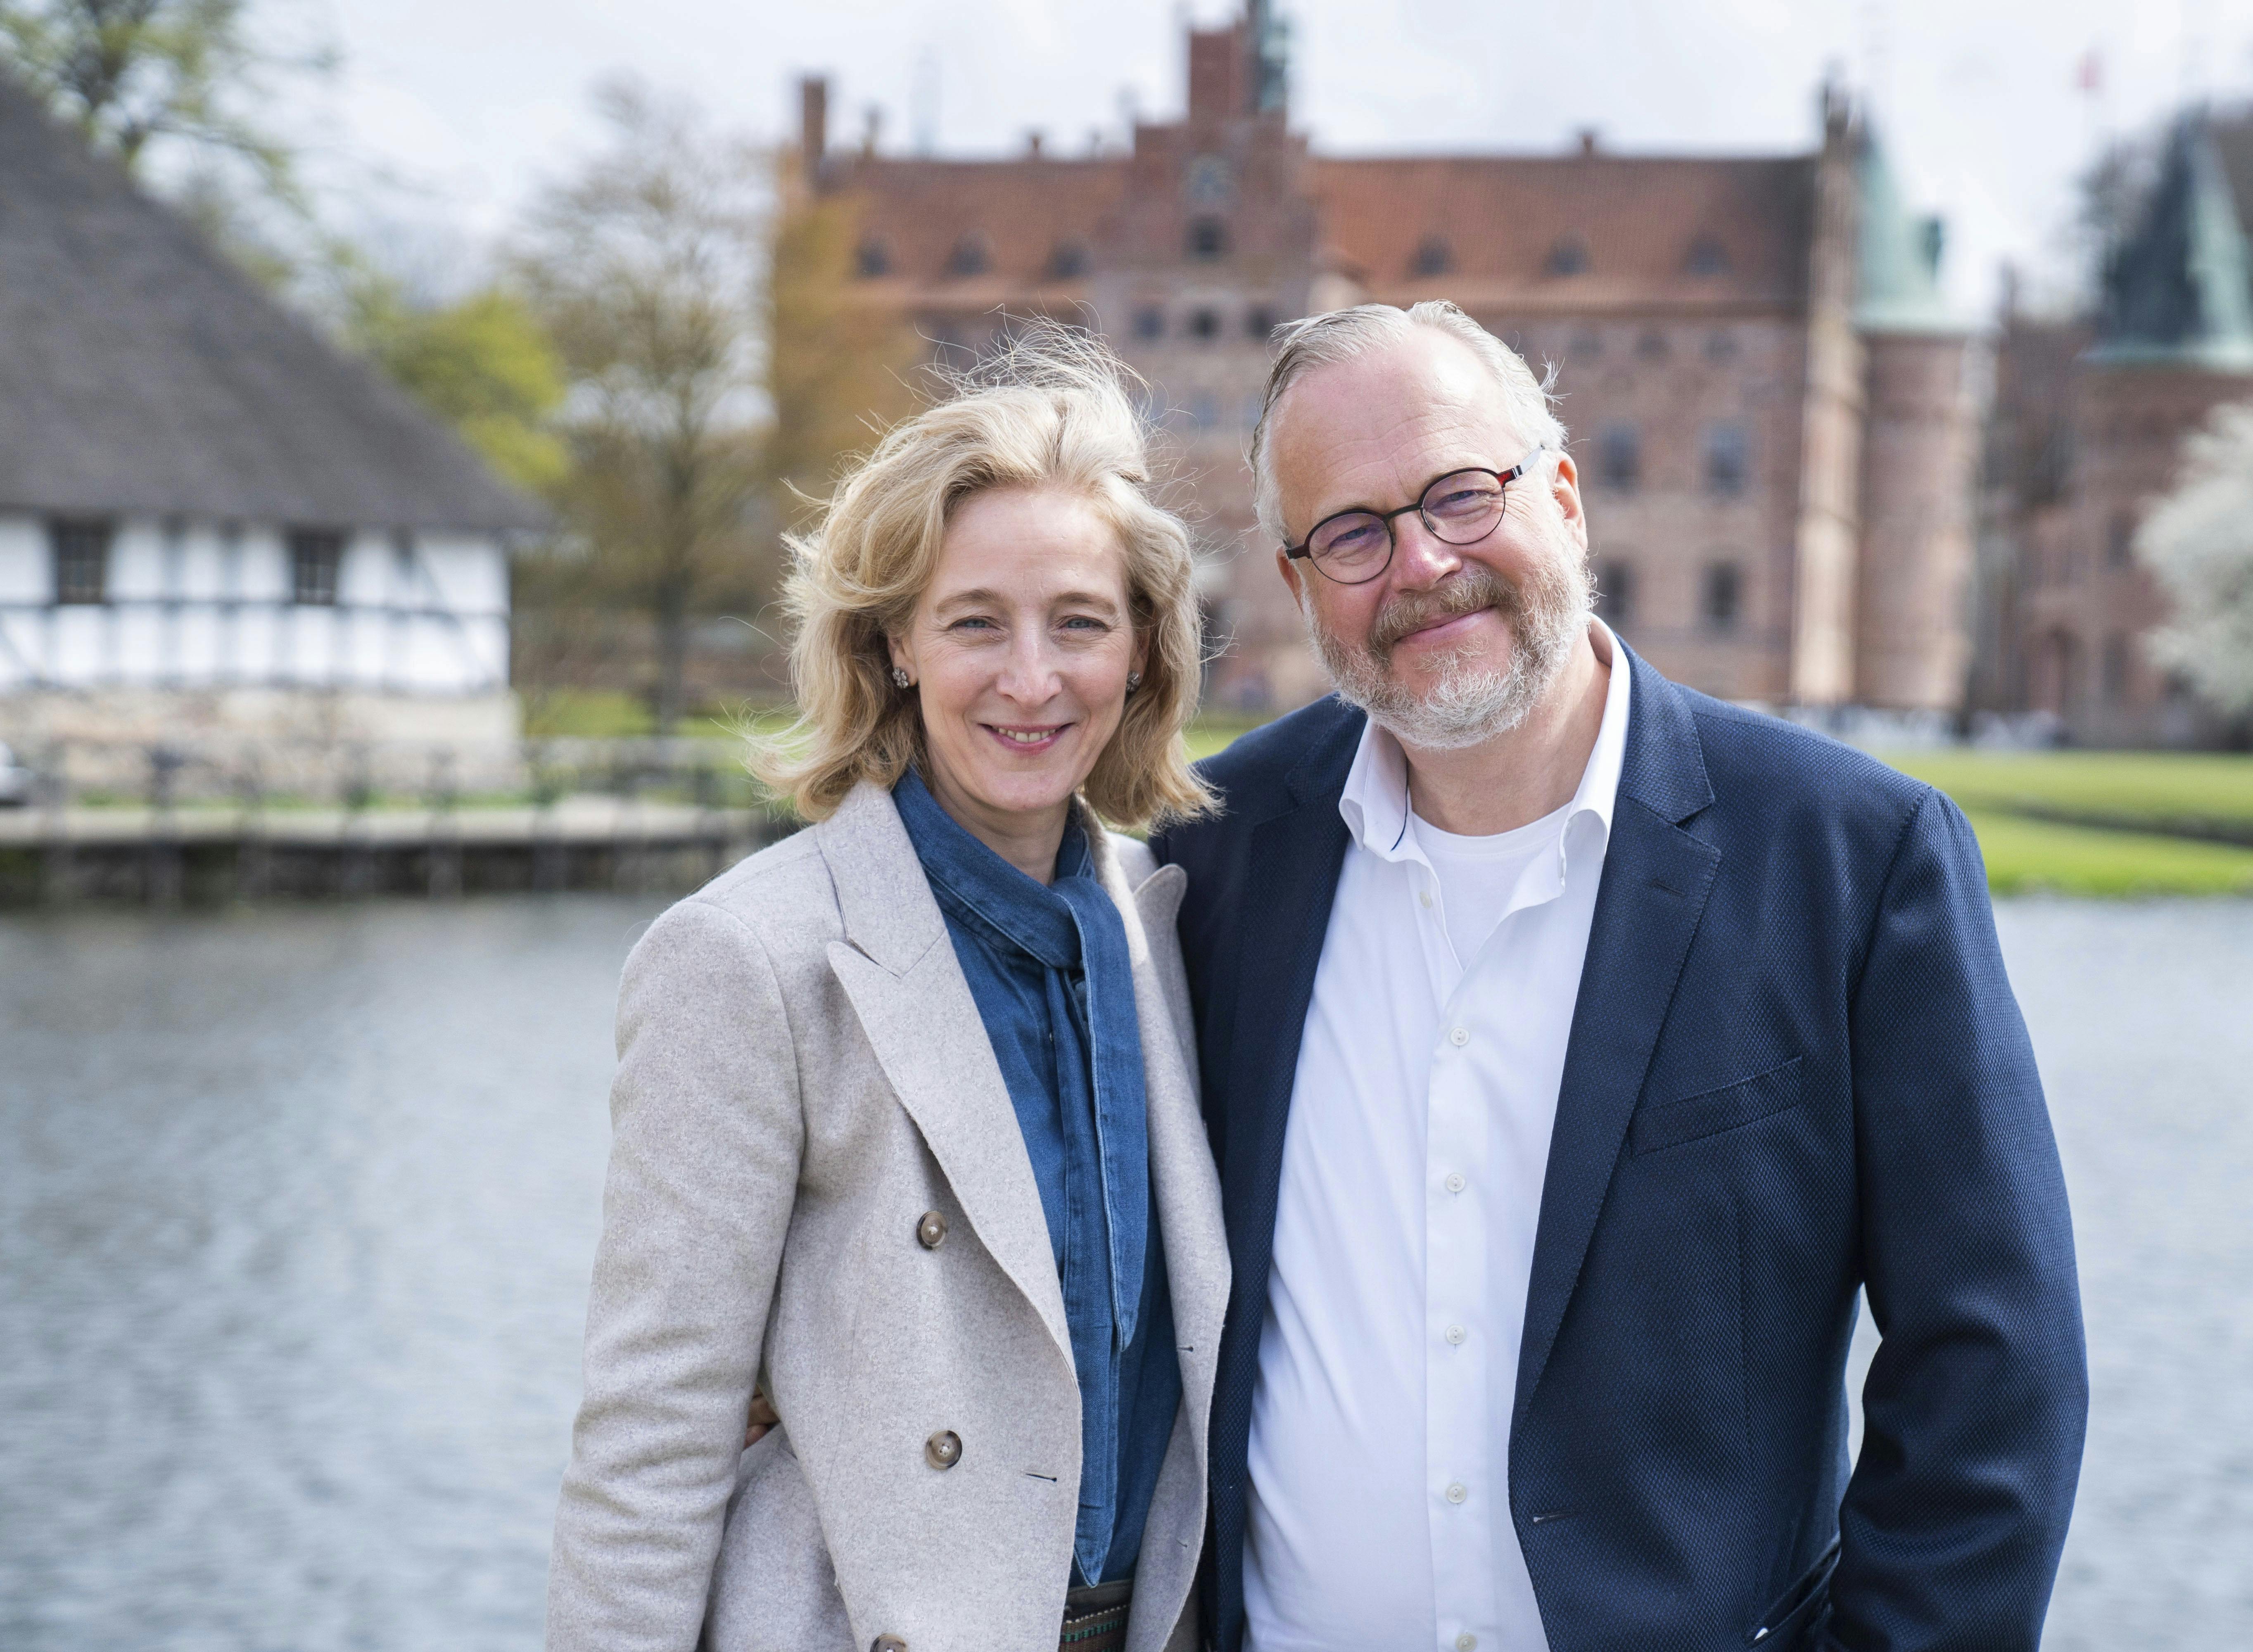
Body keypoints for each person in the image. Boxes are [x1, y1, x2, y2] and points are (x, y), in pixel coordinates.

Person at [1152, 302, 2087, 1652]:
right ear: (1300, 591)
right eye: (1351, 532)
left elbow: (1998, 1373)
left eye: (1462, 497)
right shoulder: (1211, 859)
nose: (1420, 562)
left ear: (1568, 502)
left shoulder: (1849, 862)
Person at [547, 327, 1229, 1652]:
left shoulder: (1171, 926)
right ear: (896, 646)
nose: (1031, 680)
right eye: (975, 623)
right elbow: (652, 1434)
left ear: (1142, 649)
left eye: (1079, 623)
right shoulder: (747, 958)